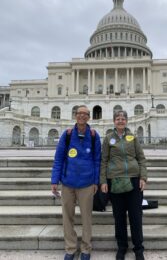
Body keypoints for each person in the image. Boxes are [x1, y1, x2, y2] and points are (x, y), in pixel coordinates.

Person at [51, 105, 101, 260]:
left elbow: (97, 160)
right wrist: (54, 180)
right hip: (68, 183)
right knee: (67, 218)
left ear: (89, 117)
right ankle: (71, 248)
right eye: (79, 113)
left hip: (86, 183)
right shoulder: (67, 134)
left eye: (85, 114)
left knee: (86, 217)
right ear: (75, 116)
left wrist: (95, 182)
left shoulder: (93, 136)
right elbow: (58, 159)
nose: (82, 116)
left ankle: (86, 249)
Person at [100, 110, 147, 260]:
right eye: (118, 119)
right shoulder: (108, 138)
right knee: (119, 216)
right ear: (114, 121)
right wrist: (103, 181)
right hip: (116, 181)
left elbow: (141, 158)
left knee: (136, 216)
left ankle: (138, 248)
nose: (120, 121)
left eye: (123, 119)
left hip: (134, 179)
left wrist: (143, 177)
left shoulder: (132, 137)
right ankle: (122, 247)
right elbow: (104, 161)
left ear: (126, 121)